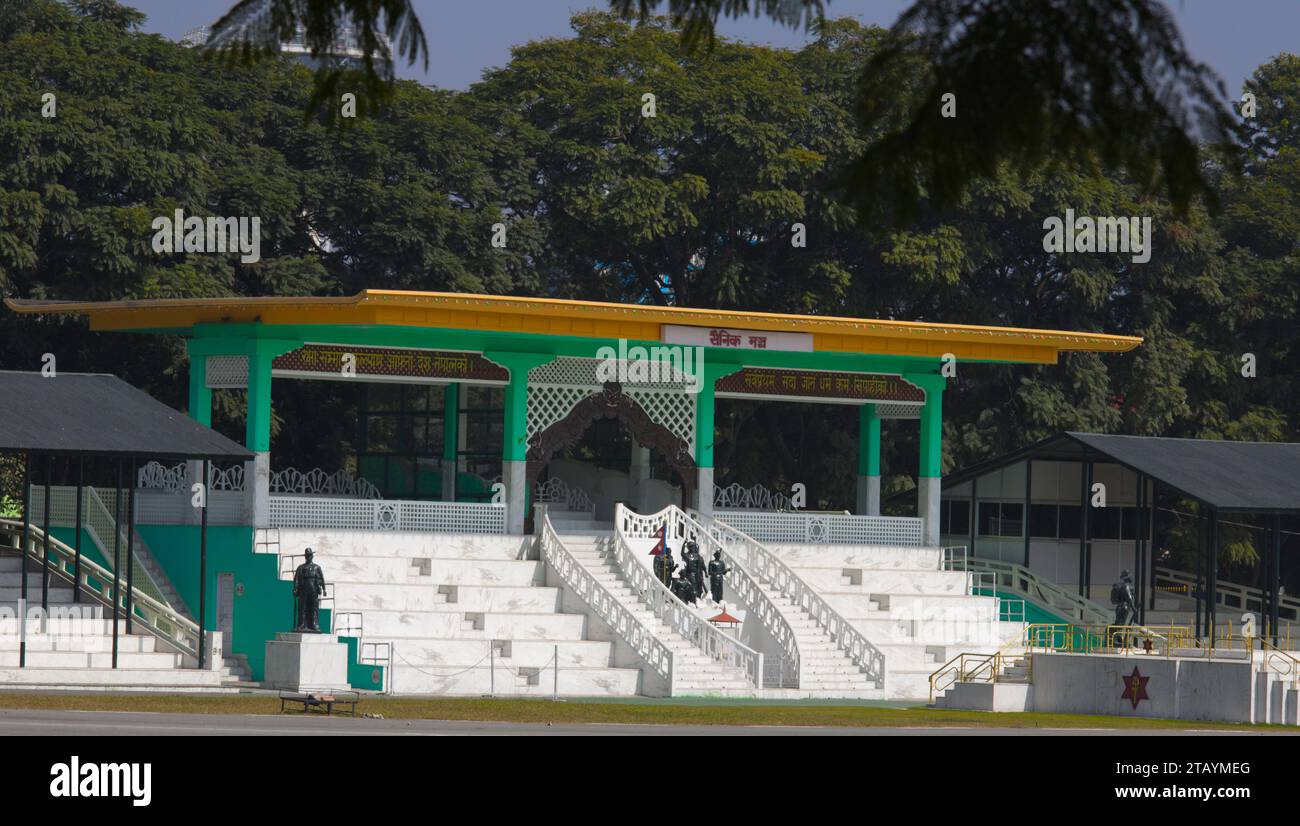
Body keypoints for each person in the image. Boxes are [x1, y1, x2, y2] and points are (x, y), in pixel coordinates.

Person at [293, 548, 327, 633]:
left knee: (314, 607)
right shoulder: (301, 567)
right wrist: (295, 588)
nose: (309, 557)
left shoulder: (317, 567)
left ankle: (314, 624)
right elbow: (296, 579)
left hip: (313, 589)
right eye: (307, 555)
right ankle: (301, 624)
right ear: (305, 556)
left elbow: (321, 578)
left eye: (310, 555)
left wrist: (324, 589)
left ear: (312, 556)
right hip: (304, 588)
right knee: (302, 607)